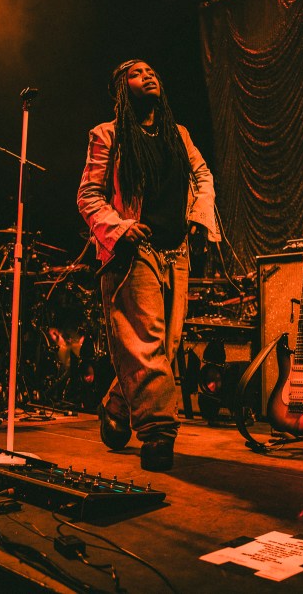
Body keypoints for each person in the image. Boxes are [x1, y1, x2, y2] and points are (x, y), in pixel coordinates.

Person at [77, 59, 219, 471]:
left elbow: (202, 175)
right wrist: (120, 228)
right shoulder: (108, 135)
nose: (150, 75)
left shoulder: (179, 134)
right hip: (134, 254)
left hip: (176, 254)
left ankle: (117, 405)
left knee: (165, 348)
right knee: (147, 342)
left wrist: (198, 217)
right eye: (137, 73)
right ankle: (158, 433)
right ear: (122, 88)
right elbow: (88, 196)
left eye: (153, 71)